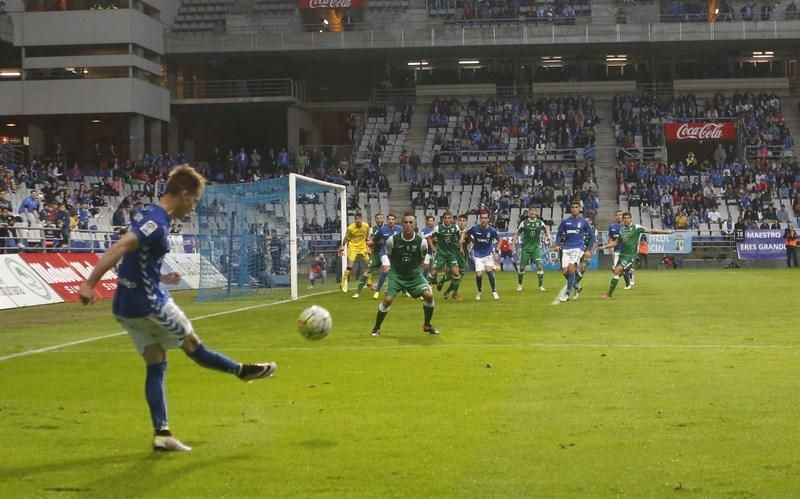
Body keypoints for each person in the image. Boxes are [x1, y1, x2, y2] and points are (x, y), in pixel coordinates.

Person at [78, 165, 276, 453]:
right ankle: (240, 371)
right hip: (149, 304)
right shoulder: (157, 223)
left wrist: (160, 276)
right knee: (194, 347)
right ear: (183, 194)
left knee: (156, 362)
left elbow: (136, 260)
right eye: (194, 201)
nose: (193, 207)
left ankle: (162, 433)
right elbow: (121, 246)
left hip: (125, 306)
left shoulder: (149, 214)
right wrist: (89, 283)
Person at [370, 213, 439, 337]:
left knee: (428, 296)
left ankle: (427, 325)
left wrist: (412, 268)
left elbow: (421, 258)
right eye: (406, 222)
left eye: (411, 223)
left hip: (414, 275)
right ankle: (376, 327)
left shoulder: (421, 242)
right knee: (387, 300)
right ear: (402, 224)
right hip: (396, 274)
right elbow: (389, 254)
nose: (408, 225)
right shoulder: (393, 240)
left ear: (415, 224)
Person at [600, 212, 673, 298]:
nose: (626, 220)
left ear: (631, 219)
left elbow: (651, 231)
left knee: (617, 271)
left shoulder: (636, 227)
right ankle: (616, 289)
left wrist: (665, 232)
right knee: (617, 274)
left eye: (628, 218)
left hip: (630, 256)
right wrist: (605, 247)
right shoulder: (622, 230)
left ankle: (609, 294)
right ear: (623, 220)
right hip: (622, 256)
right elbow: (616, 242)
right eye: (625, 218)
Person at [553, 201, 595, 302]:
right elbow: (559, 234)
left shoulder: (584, 222)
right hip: (566, 248)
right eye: (572, 207)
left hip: (578, 248)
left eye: (576, 207)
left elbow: (592, 237)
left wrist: (588, 249)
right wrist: (557, 244)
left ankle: (567, 294)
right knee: (565, 271)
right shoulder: (565, 222)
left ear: (580, 209)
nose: (574, 209)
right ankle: (577, 286)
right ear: (570, 209)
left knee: (572, 268)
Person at [462, 211, 501, 300]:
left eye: (485, 218)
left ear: (488, 219)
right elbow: (466, 233)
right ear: (480, 219)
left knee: (489, 270)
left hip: (488, 254)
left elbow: (500, 240)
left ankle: (494, 291)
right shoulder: (474, 228)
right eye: (482, 218)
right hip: (477, 254)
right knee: (479, 274)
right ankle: (479, 291)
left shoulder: (492, 230)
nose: (483, 220)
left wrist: (497, 252)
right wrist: (470, 240)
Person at [513, 206, 550, 292]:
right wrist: (513, 243)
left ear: (536, 212)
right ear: (528, 213)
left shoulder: (540, 222)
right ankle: (520, 285)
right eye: (531, 211)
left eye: (534, 211)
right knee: (522, 268)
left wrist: (548, 236)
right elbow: (517, 233)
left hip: (536, 248)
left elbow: (545, 229)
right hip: (526, 249)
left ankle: (540, 286)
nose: (532, 212)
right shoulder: (524, 223)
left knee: (540, 266)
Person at [431, 211, 463, 302]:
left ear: (452, 219)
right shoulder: (438, 228)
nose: (448, 220)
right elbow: (430, 238)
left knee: (457, 274)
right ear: (443, 219)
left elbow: (459, 237)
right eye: (446, 218)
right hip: (441, 254)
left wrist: (459, 246)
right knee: (432, 273)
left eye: (449, 218)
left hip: (451, 255)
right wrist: (433, 247)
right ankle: (425, 293)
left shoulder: (455, 227)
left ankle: (454, 294)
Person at [337, 212, 370, 294]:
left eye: (359, 218)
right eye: (356, 219)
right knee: (350, 265)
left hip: (362, 247)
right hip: (353, 247)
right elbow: (346, 238)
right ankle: (343, 283)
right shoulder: (350, 228)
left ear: (362, 219)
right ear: (355, 220)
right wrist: (342, 247)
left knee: (369, 264)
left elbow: (367, 237)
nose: (358, 220)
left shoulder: (366, 226)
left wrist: (368, 246)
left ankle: (369, 282)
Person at [370, 213, 401, 299]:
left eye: (392, 219)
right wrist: (370, 243)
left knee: (401, 271)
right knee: (386, 270)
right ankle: (377, 291)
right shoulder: (382, 230)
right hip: (385, 253)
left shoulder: (400, 229)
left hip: (396, 254)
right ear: (387, 221)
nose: (391, 221)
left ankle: (405, 291)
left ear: (395, 220)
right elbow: (374, 240)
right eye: (389, 219)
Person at [354, 212, 384, 298]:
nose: (379, 220)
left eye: (380, 218)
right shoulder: (371, 229)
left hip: (387, 254)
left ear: (383, 219)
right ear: (375, 220)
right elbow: (368, 241)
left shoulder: (387, 228)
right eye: (377, 218)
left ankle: (404, 292)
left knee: (396, 271)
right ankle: (358, 292)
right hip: (376, 254)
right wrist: (377, 242)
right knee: (367, 271)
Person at [573, 216, 599, 298]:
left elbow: (595, 241)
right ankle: (575, 284)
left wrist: (591, 251)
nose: (586, 222)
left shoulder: (594, 230)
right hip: (578, 250)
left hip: (587, 251)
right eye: (585, 220)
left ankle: (575, 284)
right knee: (575, 268)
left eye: (588, 220)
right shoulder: (580, 228)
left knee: (583, 267)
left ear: (591, 221)